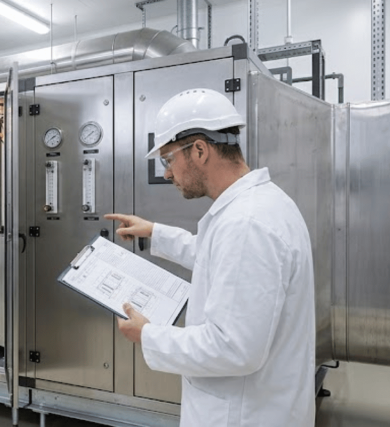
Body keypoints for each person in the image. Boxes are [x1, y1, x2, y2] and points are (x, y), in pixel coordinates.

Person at [106, 88, 316, 426]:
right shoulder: (258, 206)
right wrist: (154, 232)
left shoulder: (247, 223)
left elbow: (233, 348)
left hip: (242, 415)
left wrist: (148, 335)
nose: (167, 173)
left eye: (168, 159)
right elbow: (218, 259)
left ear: (200, 150)